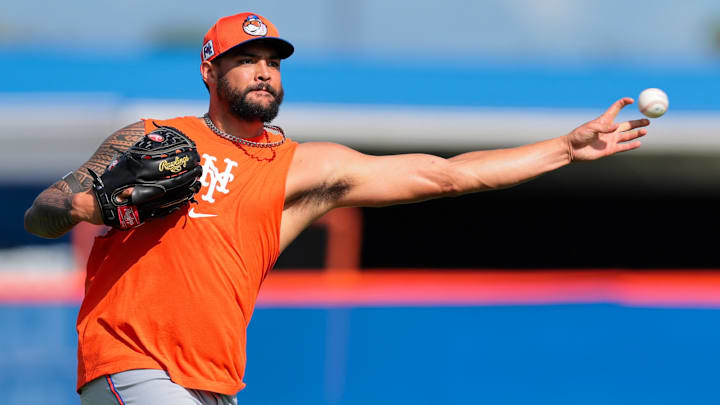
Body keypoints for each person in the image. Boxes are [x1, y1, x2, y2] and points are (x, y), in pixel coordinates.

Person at [24, 12, 649, 405]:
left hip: (215, 382)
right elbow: (43, 211)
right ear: (211, 72)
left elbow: (445, 175)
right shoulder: (156, 135)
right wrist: (91, 201)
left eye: (271, 62)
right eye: (246, 61)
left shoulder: (304, 167)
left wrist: (565, 149)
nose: (264, 72)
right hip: (128, 360)